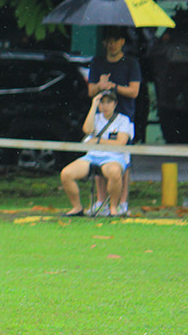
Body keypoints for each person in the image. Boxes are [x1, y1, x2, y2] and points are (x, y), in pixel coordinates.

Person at [87, 27, 141, 216]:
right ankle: (101, 201)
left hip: (124, 116)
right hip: (101, 116)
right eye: (108, 41)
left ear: (123, 42)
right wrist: (100, 87)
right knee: (98, 156)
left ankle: (122, 202)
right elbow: (91, 90)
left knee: (123, 161)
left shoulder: (131, 63)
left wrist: (114, 87)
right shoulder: (97, 62)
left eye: (116, 40)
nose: (112, 45)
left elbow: (134, 91)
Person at [60, 90, 133, 217]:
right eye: (102, 102)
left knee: (115, 173)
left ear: (115, 104)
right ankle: (77, 208)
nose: (105, 106)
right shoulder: (96, 117)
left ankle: (113, 208)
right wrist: (93, 106)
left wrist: (98, 141)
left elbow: (121, 142)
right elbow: (87, 130)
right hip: (93, 156)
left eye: (109, 102)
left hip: (114, 157)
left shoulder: (123, 120)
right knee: (66, 174)